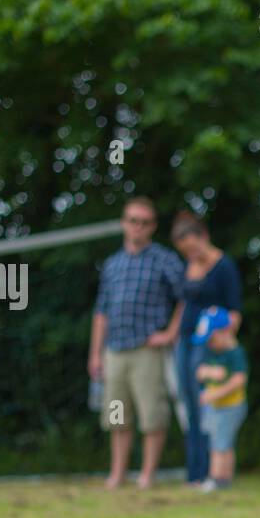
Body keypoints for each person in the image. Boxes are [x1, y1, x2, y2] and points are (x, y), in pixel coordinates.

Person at [88, 196, 185, 490]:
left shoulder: (165, 259)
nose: (137, 227)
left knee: (152, 414)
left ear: (152, 227)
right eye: (133, 221)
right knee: (117, 416)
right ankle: (117, 474)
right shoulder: (112, 264)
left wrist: (170, 333)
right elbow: (101, 311)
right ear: (123, 223)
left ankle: (147, 475)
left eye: (144, 223)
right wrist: (95, 353)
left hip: (148, 348)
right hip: (114, 350)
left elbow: (187, 298)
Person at [171, 212, 242, 486]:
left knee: (207, 405)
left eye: (192, 247)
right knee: (190, 404)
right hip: (186, 341)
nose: (190, 253)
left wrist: (223, 349)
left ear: (204, 237)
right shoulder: (188, 266)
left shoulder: (224, 267)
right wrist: (171, 333)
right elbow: (183, 305)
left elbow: (235, 310)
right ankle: (195, 471)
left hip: (210, 345)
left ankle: (214, 472)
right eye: (184, 250)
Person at [192, 306, 248, 493]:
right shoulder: (212, 351)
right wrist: (209, 372)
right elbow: (200, 372)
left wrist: (216, 393)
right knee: (220, 442)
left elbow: (239, 380)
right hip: (215, 407)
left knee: (220, 444)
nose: (208, 344)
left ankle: (216, 479)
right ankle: (224, 480)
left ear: (225, 332)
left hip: (230, 406)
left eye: (211, 338)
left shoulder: (235, 353)